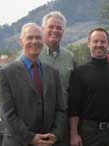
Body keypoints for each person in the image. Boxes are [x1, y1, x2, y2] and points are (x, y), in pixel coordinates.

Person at [0, 23, 66, 146]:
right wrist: (30, 138)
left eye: (38, 37)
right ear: (21, 41)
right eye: (29, 37)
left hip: (49, 142)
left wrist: (56, 134)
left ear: (43, 41)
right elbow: (6, 113)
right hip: (19, 142)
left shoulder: (53, 73)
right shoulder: (6, 73)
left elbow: (61, 108)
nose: (34, 41)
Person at [69, 28, 109, 146]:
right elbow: (74, 107)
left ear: (108, 44)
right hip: (87, 133)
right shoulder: (79, 72)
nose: (99, 45)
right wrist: (74, 134)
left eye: (103, 41)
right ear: (89, 44)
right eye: (95, 41)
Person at [39, 11, 76, 146]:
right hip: (38, 122)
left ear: (63, 32)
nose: (55, 30)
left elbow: (72, 90)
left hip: (62, 123)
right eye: (51, 27)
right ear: (43, 29)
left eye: (59, 28)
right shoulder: (31, 54)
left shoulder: (69, 57)